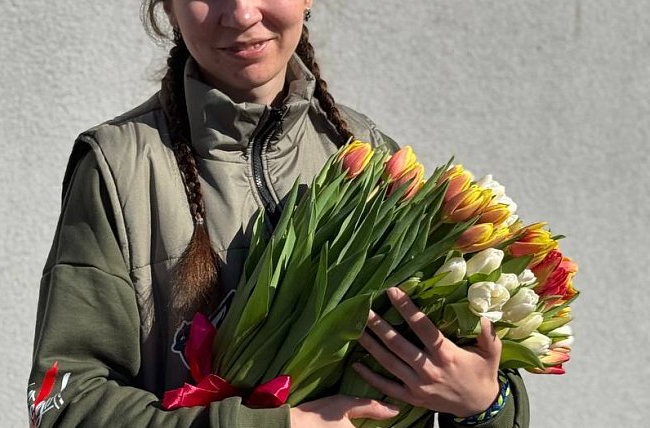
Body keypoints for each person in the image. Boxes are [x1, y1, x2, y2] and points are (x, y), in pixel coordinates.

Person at [27, 1, 530, 427]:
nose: (242, 14)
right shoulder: (120, 168)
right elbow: (64, 403)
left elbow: (456, 366)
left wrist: (486, 404)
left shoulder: (370, 156)